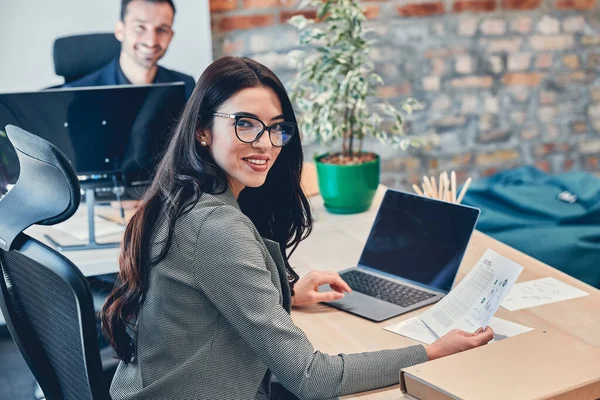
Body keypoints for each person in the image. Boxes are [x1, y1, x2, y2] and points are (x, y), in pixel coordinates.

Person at [102, 56, 494, 399]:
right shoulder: (214, 227)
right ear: (202, 130)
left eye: (275, 128)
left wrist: (284, 294)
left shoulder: (178, 195)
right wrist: (431, 352)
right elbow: (311, 378)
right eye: (245, 124)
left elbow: (199, 299)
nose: (266, 144)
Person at [64, 0, 195, 99]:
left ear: (171, 36)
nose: (151, 41)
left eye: (162, 29)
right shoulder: (76, 94)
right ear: (120, 30)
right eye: (140, 27)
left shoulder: (187, 87)